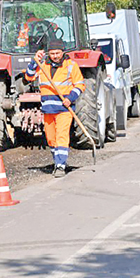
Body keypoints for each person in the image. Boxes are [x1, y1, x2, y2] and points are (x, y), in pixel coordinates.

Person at [24, 38, 85, 177]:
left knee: (61, 136)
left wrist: (70, 98)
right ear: (48, 53)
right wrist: (34, 62)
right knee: (51, 139)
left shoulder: (71, 65)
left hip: (64, 109)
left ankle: (61, 166)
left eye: (57, 53)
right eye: (52, 53)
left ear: (62, 52)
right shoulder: (42, 65)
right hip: (47, 109)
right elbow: (29, 77)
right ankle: (57, 161)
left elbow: (80, 84)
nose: (55, 56)